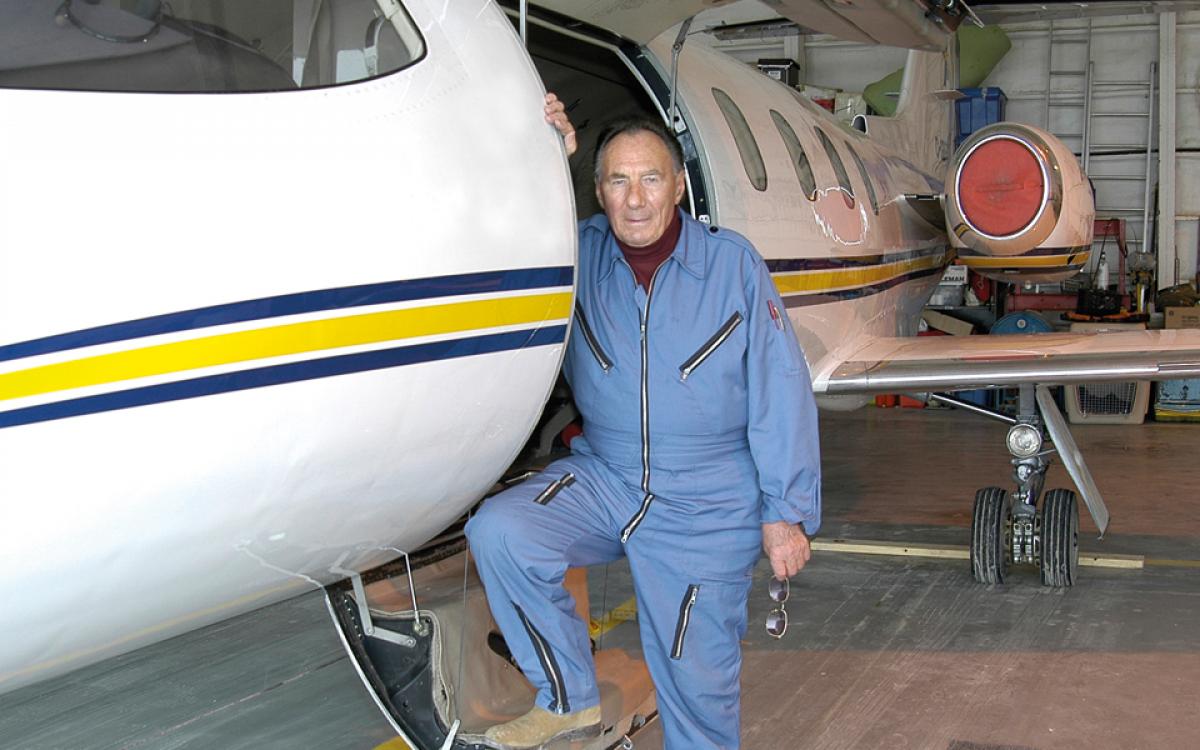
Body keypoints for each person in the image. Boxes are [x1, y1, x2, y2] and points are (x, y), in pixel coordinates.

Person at [464, 94, 821, 750]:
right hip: (608, 477)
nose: (635, 199)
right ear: (598, 190)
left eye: (651, 178)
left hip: (707, 498)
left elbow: (781, 391)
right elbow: (506, 230)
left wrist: (786, 512)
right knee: (502, 532)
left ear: (679, 186)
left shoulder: (731, 264)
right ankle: (566, 700)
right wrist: (547, 156)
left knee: (696, 686)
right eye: (618, 180)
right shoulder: (577, 254)